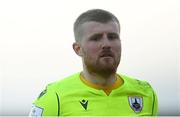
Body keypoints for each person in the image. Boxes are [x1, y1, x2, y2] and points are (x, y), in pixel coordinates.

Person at [29, 9, 158, 116]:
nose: (106, 44)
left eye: (112, 37)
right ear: (78, 49)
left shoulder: (145, 93)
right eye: (95, 38)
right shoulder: (54, 96)